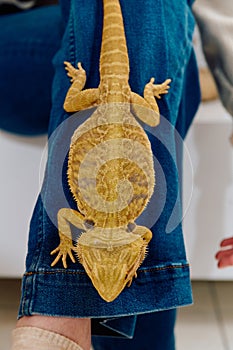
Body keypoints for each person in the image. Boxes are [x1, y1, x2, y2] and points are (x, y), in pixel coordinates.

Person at [0, 1, 231, 350]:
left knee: (158, 24)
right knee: (163, 46)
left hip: (155, 35)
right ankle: (68, 300)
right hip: (26, 31)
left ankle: (59, 308)